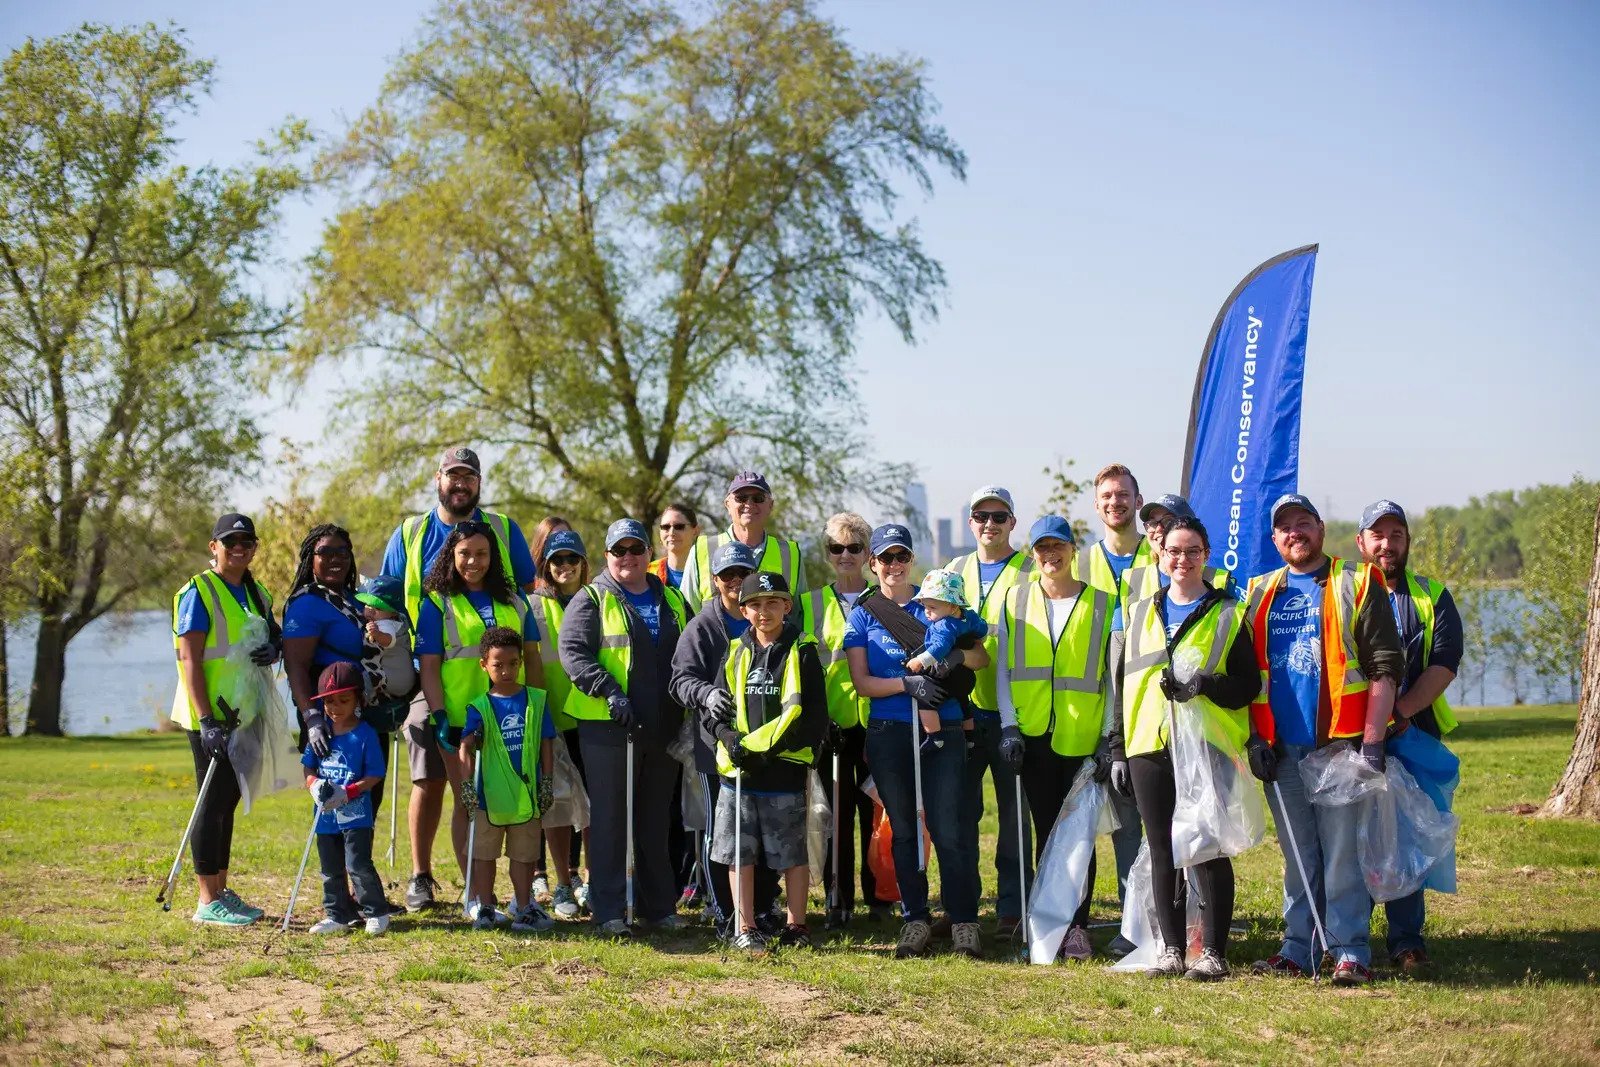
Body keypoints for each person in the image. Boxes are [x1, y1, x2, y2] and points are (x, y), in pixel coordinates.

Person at [1247, 493, 1405, 987]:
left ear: (1320, 528)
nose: (1295, 532)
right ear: (1275, 539)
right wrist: (1255, 739)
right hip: (1280, 752)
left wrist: (1372, 745)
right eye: (1285, 527)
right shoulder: (1258, 592)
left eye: (1304, 522)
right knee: (1298, 858)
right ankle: (1298, 948)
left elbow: (1385, 666)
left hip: (1341, 748)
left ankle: (1349, 950)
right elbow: (1249, 674)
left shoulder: (1356, 581)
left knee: (1341, 858)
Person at [382, 446, 540, 911]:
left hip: (497, 692)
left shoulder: (504, 529)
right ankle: (422, 876)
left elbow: (526, 591)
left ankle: (507, 892)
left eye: (469, 476)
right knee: (431, 780)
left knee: (487, 794)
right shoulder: (411, 532)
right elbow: (386, 596)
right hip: (426, 676)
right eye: (453, 475)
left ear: (479, 483)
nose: (460, 483)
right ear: (438, 479)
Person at [1109, 517, 1260, 979]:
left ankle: (1213, 952)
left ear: (1206, 555)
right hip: (1147, 744)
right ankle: (1171, 949)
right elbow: (1122, 685)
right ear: (1160, 555)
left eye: (1193, 551)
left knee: (1207, 844)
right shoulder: (1139, 613)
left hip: (1206, 745)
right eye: (1174, 550)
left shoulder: (1228, 613)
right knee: (1162, 848)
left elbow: (1248, 685)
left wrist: (1204, 685)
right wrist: (1117, 749)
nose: (1182, 559)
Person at [844, 523, 987, 959]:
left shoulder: (935, 601)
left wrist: (955, 656)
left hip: (943, 728)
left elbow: (980, 656)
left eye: (901, 556)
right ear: (873, 563)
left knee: (948, 828)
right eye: (885, 558)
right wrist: (906, 685)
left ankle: (963, 921)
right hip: (889, 732)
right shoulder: (863, 614)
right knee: (904, 830)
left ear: (911, 561)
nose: (894, 565)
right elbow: (863, 683)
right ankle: (915, 919)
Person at [559, 518, 689, 936]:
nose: (628, 557)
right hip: (609, 728)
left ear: (649, 553)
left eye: (636, 549)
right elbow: (574, 652)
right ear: (607, 555)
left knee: (655, 820)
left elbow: (689, 655)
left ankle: (658, 906)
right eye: (619, 550)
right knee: (612, 821)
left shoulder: (673, 598)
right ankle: (610, 910)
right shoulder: (591, 598)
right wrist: (610, 691)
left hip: (663, 728)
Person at [994, 516, 1114, 961]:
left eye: (1058, 546)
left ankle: (1077, 927)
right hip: (1033, 737)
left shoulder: (1102, 603)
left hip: (1083, 738)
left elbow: (1111, 679)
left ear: (1072, 550)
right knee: (1045, 833)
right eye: (1042, 547)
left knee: (1080, 837)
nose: (1051, 555)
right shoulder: (1015, 599)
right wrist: (1008, 725)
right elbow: (1004, 670)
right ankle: (1046, 923)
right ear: (1033, 553)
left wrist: (1108, 736)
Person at [1356, 499, 1464, 974]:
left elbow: (1444, 662)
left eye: (1395, 535)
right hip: (1349, 738)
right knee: (1350, 837)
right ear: (1361, 542)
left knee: (1408, 837)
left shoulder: (1431, 595)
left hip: (1412, 737)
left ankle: (1406, 940)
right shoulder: (1342, 589)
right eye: (1377, 535)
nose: (1387, 544)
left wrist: (1400, 711)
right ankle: (1347, 937)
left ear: (1407, 542)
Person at [415, 521, 545, 906]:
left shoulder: (516, 601)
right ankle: (476, 897)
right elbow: (429, 666)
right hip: (460, 721)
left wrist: (538, 710)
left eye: (482, 553)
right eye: (464, 554)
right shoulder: (436, 603)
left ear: (494, 557)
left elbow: (532, 658)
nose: (473, 562)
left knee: (519, 801)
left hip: (513, 720)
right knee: (469, 804)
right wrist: (439, 714)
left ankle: (521, 898)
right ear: (451, 556)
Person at [706, 572, 829, 952]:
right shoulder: (734, 651)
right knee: (738, 853)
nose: (764, 611)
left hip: (783, 771)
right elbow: (714, 714)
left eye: (773, 603)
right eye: (755, 604)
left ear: (787, 606)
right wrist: (728, 738)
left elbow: (814, 719)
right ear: (743, 610)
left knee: (791, 853)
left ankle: (796, 925)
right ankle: (744, 927)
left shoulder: (802, 650)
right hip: (739, 774)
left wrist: (767, 751)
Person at [169, 512, 279, 926]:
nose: (239, 548)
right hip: (211, 716)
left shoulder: (257, 592)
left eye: (247, 542)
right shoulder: (198, 591)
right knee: (210, 802)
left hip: (244, 713)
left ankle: (221, 890)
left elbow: (273, 632)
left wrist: (276, 647)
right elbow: (190, 659)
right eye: (230, 541)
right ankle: (205, 900)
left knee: (228, 802)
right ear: (213, 547)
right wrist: (206, 720)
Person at [942, 486, 1033, 937]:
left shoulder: (1031, 570)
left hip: (1012, 711)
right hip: (962, 710)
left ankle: (1013, 908)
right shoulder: (953, 570)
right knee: (959, 814)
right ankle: (961, 908)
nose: (990, 524)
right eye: (981, 516)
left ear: (1012, 522)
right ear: (971, 522)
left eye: (999, 517)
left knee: (1014, 815)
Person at [668, 540, 770, 939]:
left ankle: (762, 907)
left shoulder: (765, 618)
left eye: (743, 573)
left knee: (762, 828)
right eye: (728, 575)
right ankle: (724, 911)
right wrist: (707, 693)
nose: (736, 581)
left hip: (764, 742)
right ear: (715, 580)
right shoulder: (702, 626)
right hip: (716, 747)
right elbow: (680, 680)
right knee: (722, 830)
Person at [1071, 464, 1151, 947]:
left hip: (1145, 714)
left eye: (1123, 495)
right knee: (1099, 823)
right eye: (1106, 496)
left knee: (1139, 826)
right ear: (1096, 505)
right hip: (1090, 718)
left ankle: (1141, 924)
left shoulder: (1160, 555)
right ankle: (1094, 923)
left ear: (1137, 501)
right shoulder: (1080, 562)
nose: (1114, 502)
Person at [800, 512, 878, 928]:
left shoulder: (884, 599)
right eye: (836, 548)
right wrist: (817, 718)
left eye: (854, 547)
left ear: (867, 553)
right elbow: (802, 668)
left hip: (878, 722)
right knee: (835, 815)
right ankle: (838, 896)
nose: (845, 555)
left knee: (876, 812)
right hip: (831, 728)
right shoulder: (809, 604)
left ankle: (879, 895)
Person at [459, 626, 558, 932]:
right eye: (498, 665)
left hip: (526, 796)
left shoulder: (536, 700)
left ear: (521, 663)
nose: (506, 671)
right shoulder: (479, 706)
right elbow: (465, 748)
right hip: (488, 797)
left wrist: (547, 781)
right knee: (484, 854)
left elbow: (546, 743)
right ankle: (486, 908)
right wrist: (466, 786)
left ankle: (524, 907)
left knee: (525, 855)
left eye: (513, 664)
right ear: (484, 665)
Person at [527, 528, 593, 919]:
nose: (564, 566)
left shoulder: (598, 600)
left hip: (592, 719)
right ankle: (563, 883)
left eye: (572, 559)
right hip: (550, 720)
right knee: (556, 806)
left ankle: (591, 881)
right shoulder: (532, 605)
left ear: (584, 563)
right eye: (557, 560)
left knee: (594, 807)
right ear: (546, 566)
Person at [300, 662, 390, 936]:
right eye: (329, 701)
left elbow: (375, 774)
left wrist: (348, 792)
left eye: (343, 700)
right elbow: (308, 767)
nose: (335, 707)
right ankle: (337, 915)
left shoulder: (365, 734)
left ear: (358, 700)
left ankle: (376, 912)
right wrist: (314, 785)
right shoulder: (320, 733)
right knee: (330, 868)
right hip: (325, 816)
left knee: (357, 865)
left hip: (356, 815)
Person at [681, 471, 806, 612]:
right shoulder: (702, 550)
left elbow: (799, 613)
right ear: (727, 504)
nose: (749, 504)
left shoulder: (790, 554)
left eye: (758, 498)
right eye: (741, 498)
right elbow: (686, 612)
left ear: (770, 505)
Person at [906, 568, 988, 750]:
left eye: (932, 608)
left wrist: (920, 660)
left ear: (952, 607)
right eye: (925, 607)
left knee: (926, 700)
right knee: (963, 701)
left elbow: (940, 647)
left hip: (948, 677)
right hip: (966, 677)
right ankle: (970, 737)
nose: (927, 612)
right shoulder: (969, 617)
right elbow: (982, 628)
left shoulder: (943, 626)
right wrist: (980, 639)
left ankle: (934, 737)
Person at [354, 574, 416, 714]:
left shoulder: (387, 624)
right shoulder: (385, 618)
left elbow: (389, 640)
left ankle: (358, 708)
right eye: (368, 604)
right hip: (400, 678)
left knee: (363, 679)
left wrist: (377, 634)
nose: (371, 610)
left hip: (396, 679)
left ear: (393, 612)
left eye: (379, 608)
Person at [649, 503, 699, 588]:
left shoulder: (709, 570)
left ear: (695, 531)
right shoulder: (648, 572)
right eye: (666, 527)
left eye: (679, 527)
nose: (671, 532)